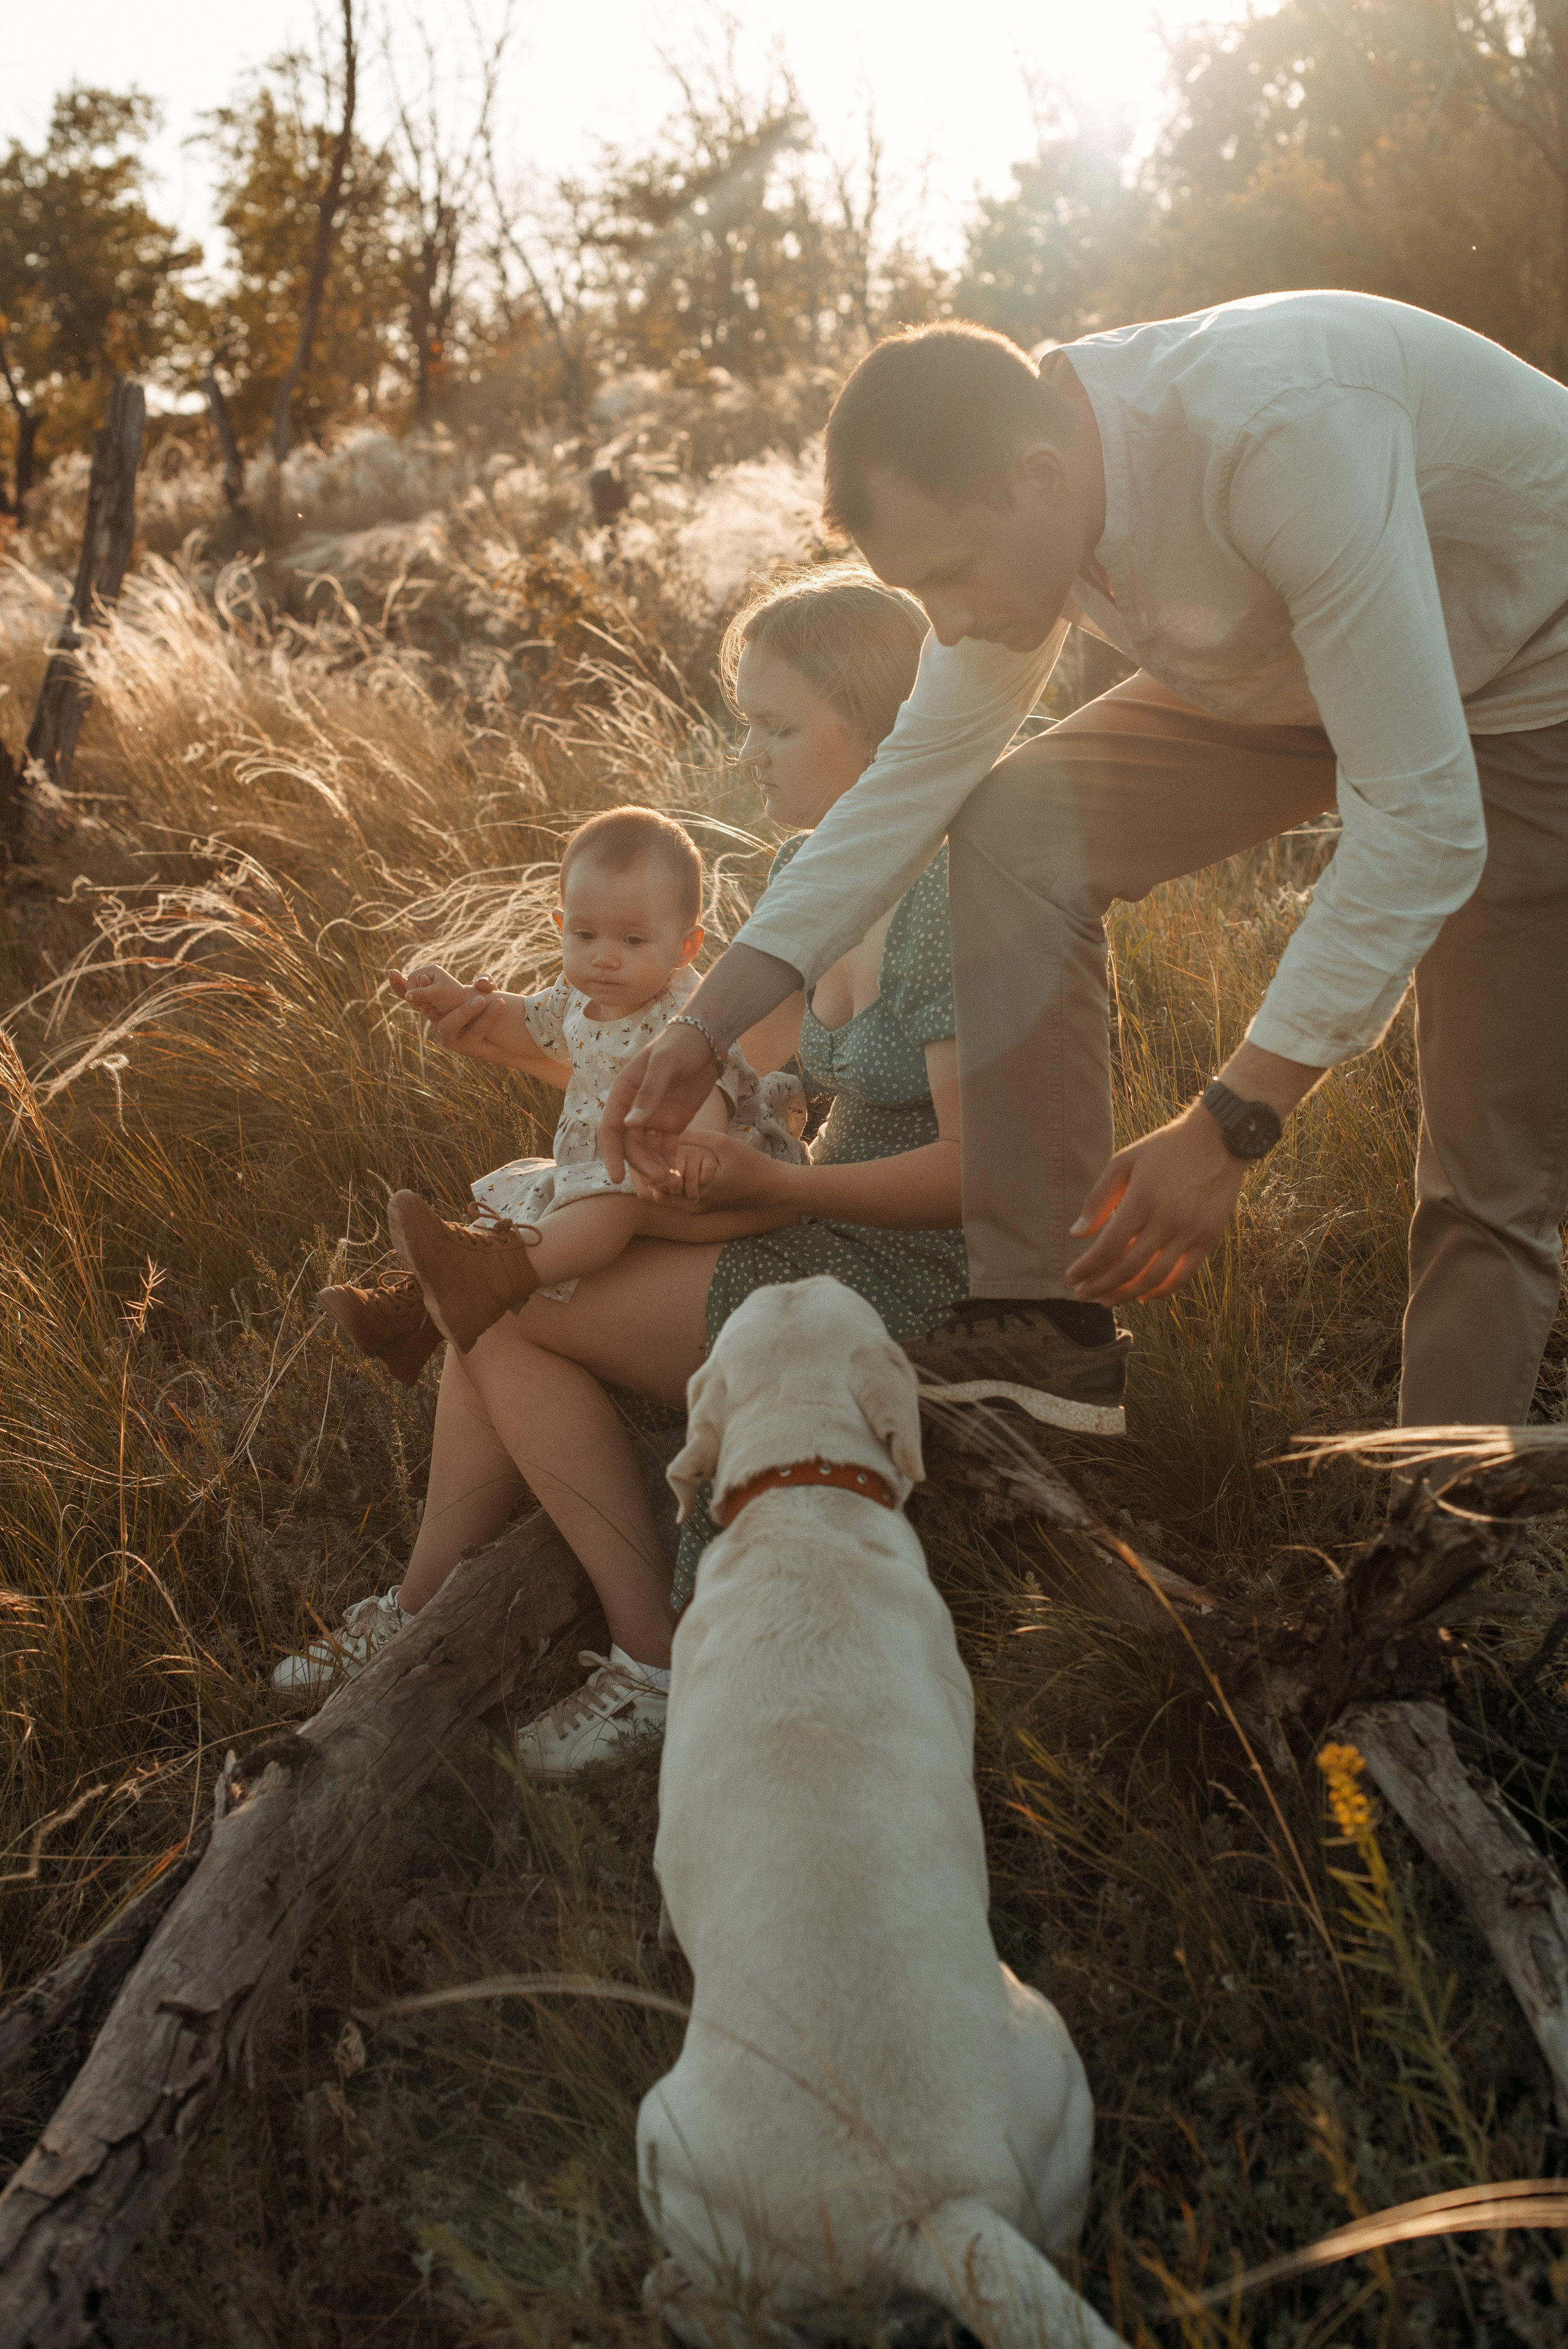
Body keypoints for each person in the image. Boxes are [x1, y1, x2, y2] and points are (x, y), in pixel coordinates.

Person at [603, 296, 1568, 1438]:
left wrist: (1228, 1124)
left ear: (1045, 477)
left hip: (1534, 678)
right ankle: (1042, 1320)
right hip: (1300, 665)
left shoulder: (1278, 436)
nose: (946, 623)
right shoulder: (1028, 496)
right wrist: (702, 1029)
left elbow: (1420, 823)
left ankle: (1443, 1514)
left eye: (954, 574)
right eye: (919, 591)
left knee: (1482, 1174)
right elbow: (903, 792)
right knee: (1016, 825)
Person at [272, 568, 972, 1774]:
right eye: (744, 723)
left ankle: (649, 1661)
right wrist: (508, 1041)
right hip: (797, 1226)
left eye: (776, 726)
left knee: (505, 1307)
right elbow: (719, 1075)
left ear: (879, 726)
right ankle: (425, 1610)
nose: (747, 754)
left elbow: (978, 1177)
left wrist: (781, 1189)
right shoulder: (812, 870)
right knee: (493, 1304)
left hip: (904, 1268)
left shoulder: (950, 895)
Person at [316, 805, 804, 1383]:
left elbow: (702, 1095)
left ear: (685, 946)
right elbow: (522, 1022)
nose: (605, 955)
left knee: (605, 1199)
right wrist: (459, 999)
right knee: (527, 1201)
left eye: (633, 939)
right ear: (561, 925)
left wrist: (691, 1149)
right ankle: (410, 1319)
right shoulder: (577, 997)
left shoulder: (687, 1016)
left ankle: (491, 1278)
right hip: (618, 1172)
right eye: (585, 934)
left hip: (710, 1186)